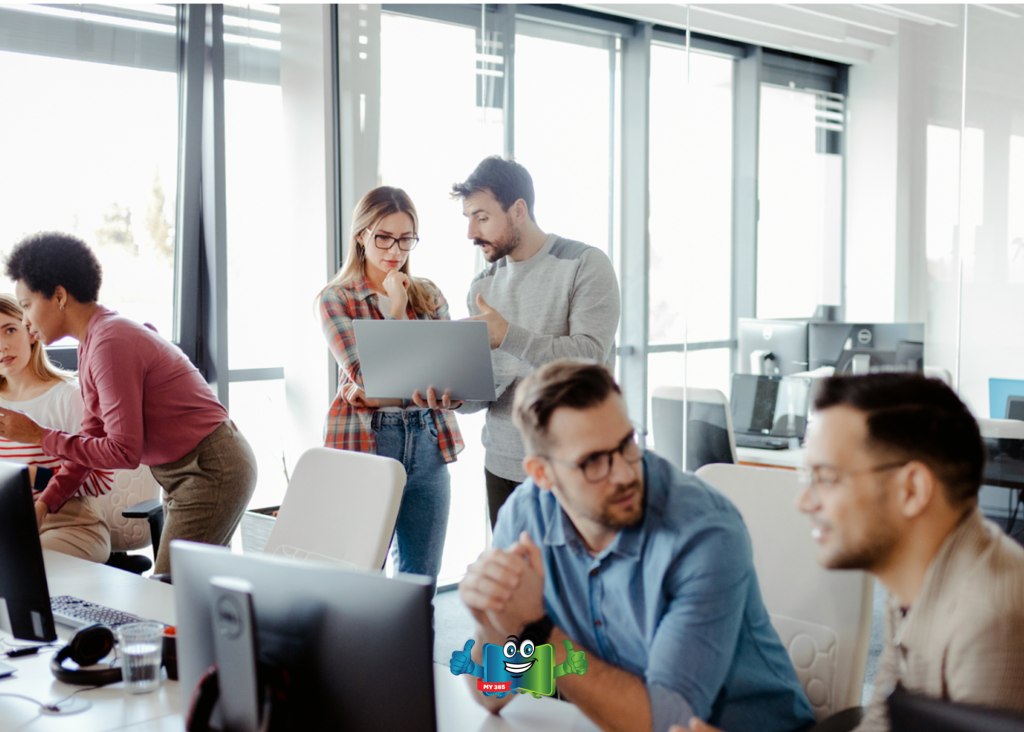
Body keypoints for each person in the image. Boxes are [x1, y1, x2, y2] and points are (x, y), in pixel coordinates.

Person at [455, 359, 815, 732]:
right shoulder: (526, 517)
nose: (626, 473)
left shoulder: (704, 533)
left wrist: (536, 629)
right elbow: (490, 694)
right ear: (542, 474)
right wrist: (495, 622)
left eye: (627, 443)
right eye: (594, 461)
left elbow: (666, 723)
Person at [674, 373, 1024, 732]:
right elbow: (879, 725)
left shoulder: (992, 622)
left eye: (825, 477)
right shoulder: (915, 579)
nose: (803, 501)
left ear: (912, 490)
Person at [0, 232, 257, 575]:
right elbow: (89, 442)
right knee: (186, 592)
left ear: (59, 296)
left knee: (168, 591)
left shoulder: (109, 342)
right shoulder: (94, 342)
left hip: (209, 467)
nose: (26, 320)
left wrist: (40, 436)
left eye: (27, 305)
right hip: (184, 471)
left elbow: (123, 452)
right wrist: (45, 503)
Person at [442, 156, 620, 528]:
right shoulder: (482, 285)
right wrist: (456, 397)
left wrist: (507, 335)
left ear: (518, 210)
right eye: (468, 218)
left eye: (482, 217)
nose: (471, 232)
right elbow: (489, 387)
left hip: (571, 467)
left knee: (567, 586)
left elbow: (588, 360)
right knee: (515, 585)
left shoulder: (585, 264)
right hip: (501, 465)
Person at [319, 186, 463, 584]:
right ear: (361, 235)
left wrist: (377, 391)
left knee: (421, 583)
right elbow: (371, 376)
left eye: (405, 238)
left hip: (429, 440)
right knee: (363, 580)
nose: (395, 250)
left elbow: (445, 373)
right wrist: (397, 314)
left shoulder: (429, 294)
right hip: (369, 443)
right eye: (384, 237)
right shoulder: (337, 299)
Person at [0, 293, 113, 562]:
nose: (2, 346)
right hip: (10, 525)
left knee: (21, 564)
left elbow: (101, 479)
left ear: (30, 331)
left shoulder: (68, 396)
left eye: (10, 330)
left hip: (69, 525)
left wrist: (34, 477)